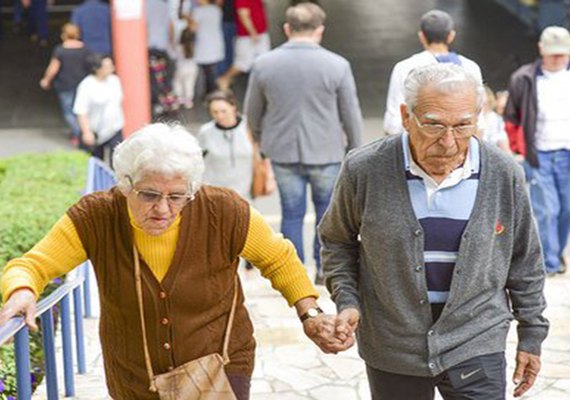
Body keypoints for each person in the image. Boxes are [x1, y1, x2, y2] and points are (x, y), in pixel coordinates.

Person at [0, 123, 351, 400]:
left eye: (177, 196)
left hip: (219, 366)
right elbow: (31, 264)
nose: (163, 209)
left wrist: (310, 314)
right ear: (125, 184)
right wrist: (22, 290)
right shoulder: (96, 217)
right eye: (149, 195)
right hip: (135, 377)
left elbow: (278, 257)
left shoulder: (223, 210)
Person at [319, 64, 548, 399]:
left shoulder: (503, 173)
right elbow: (337, 241)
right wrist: (348, 301)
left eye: (463, 125)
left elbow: (524, 259)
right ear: (406, 116)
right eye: (434, 125)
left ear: (478, 116)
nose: (449, 142)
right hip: (393, 346)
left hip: (475, 339)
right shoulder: (364, 169)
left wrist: (532, 335)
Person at [244, 3, 363, 285]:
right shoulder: (337, 65)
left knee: (291, 213)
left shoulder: (264, 64)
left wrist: (262, 140)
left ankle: (293, 274)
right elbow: (350, 114)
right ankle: (325, 270)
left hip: (283, 151)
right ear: (320, 30)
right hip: (327, 152)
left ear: (286, 29)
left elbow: (252, 113)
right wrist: (354, 150)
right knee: (327, 214)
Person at [504, 25, 570, 277]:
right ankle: (549, 262)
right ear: (541, 49)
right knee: (546, 210)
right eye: (553, 53)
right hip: (539, 153)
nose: (558, 58)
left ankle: (557, 253)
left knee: (566, 209)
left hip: (567, 154)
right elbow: (511, 118)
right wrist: (518, 149)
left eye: (563, 53)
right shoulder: (524, 78)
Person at [383, 9, 482, 135]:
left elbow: (393, 122)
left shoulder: (404, 67)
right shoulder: (470, 67)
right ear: (451, 36)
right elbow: (479, 120)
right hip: (460, 145)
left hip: (418, 145)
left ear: (422, 36)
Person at [198, 90, 274, 200]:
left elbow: (264, 154)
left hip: (244, 194)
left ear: (233, 107)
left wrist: (269, 178)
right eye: (215, 112)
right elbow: (197, 160)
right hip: (214, 194)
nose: (220, 116)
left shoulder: (249, 127)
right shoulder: (205, 132)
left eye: (224, 111)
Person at [40, 23, 91, 147]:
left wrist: (46, 80)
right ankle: (84, 131)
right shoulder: (85, 49)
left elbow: (54, 68)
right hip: (82, 84)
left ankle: (79, 133)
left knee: (69, 111)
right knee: (82, 109)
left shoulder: (60, 50)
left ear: (63, 35)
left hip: (65, 84)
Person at [73, 55, 124, 165]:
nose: (112, 68)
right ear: (97, 68)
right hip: (95, 131)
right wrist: (86, 132)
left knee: (117, 161)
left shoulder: (115, 81)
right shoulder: (86, 85)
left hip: (115, 128)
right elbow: (81, 110)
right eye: (107, 66)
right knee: (96, 162)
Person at [216, 0, 270, 91]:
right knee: (242, 64)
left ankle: (262, 87)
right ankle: (224, 79)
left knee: (264, 61)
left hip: (259, 34)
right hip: (248, 36)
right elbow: (243, 14)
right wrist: (252, 32)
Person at [189, 0, 225, 95]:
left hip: (204, 44)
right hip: (216, 42)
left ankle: (210, 93)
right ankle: (212, 92)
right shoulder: (217, 9)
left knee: (207, 72)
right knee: (211, 70)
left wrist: (188, 18)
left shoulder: (198, 11)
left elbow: (193, 28)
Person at [172, 27, 198, 109]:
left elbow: (173, 56)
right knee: (189, 84)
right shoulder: (195, 46)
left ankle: (179, 99)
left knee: (177, 83)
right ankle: (188, 102)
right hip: (192, 69)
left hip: (180, 68)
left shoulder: (178, 47)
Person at [480, 85, 511, 154]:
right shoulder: (470, 120)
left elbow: (503, 143)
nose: (483, 108)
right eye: (481, 104)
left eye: (485, 104)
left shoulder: (496, 119)